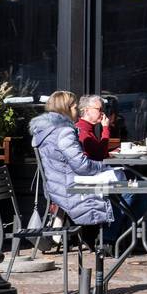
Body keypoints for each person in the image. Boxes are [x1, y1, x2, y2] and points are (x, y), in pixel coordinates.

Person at [30, 90, 127, 245]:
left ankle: (114, 237)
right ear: (66, 108)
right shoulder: (64, 132)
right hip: (69, 187)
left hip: (56, 185)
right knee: (124, 185)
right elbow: (82, 165)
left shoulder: (45, 131)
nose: (77, 111)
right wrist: (103, 167)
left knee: (120, 184)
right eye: (75, 107)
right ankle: (109, 239)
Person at [75, 94, 112, 161]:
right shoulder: (81, 131)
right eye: (99, 109)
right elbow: (100, 155)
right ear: (87, 111)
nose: (102, 113)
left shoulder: (88, 128)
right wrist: (105, 128)